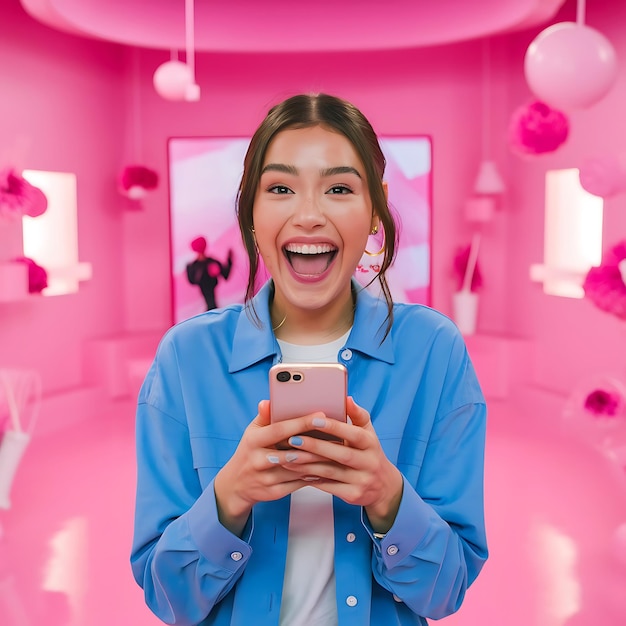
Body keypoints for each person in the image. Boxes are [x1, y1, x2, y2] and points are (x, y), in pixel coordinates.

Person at [131, 93, 488, 626]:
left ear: (375, 208)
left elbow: (445, 593)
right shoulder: (186, 358)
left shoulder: (434, 352)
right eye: (279, 188)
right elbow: (168, 598)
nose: (309, 215)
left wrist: (387, 496)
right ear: (250, 210)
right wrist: (231, 495)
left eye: (339, 188)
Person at [185, 236, 233, 311]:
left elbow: (225, 274)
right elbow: (225, 275)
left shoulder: (208, 263)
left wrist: (229, 261)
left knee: (211, 304)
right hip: (210, 300)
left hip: (211, 299)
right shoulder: (208, 263)